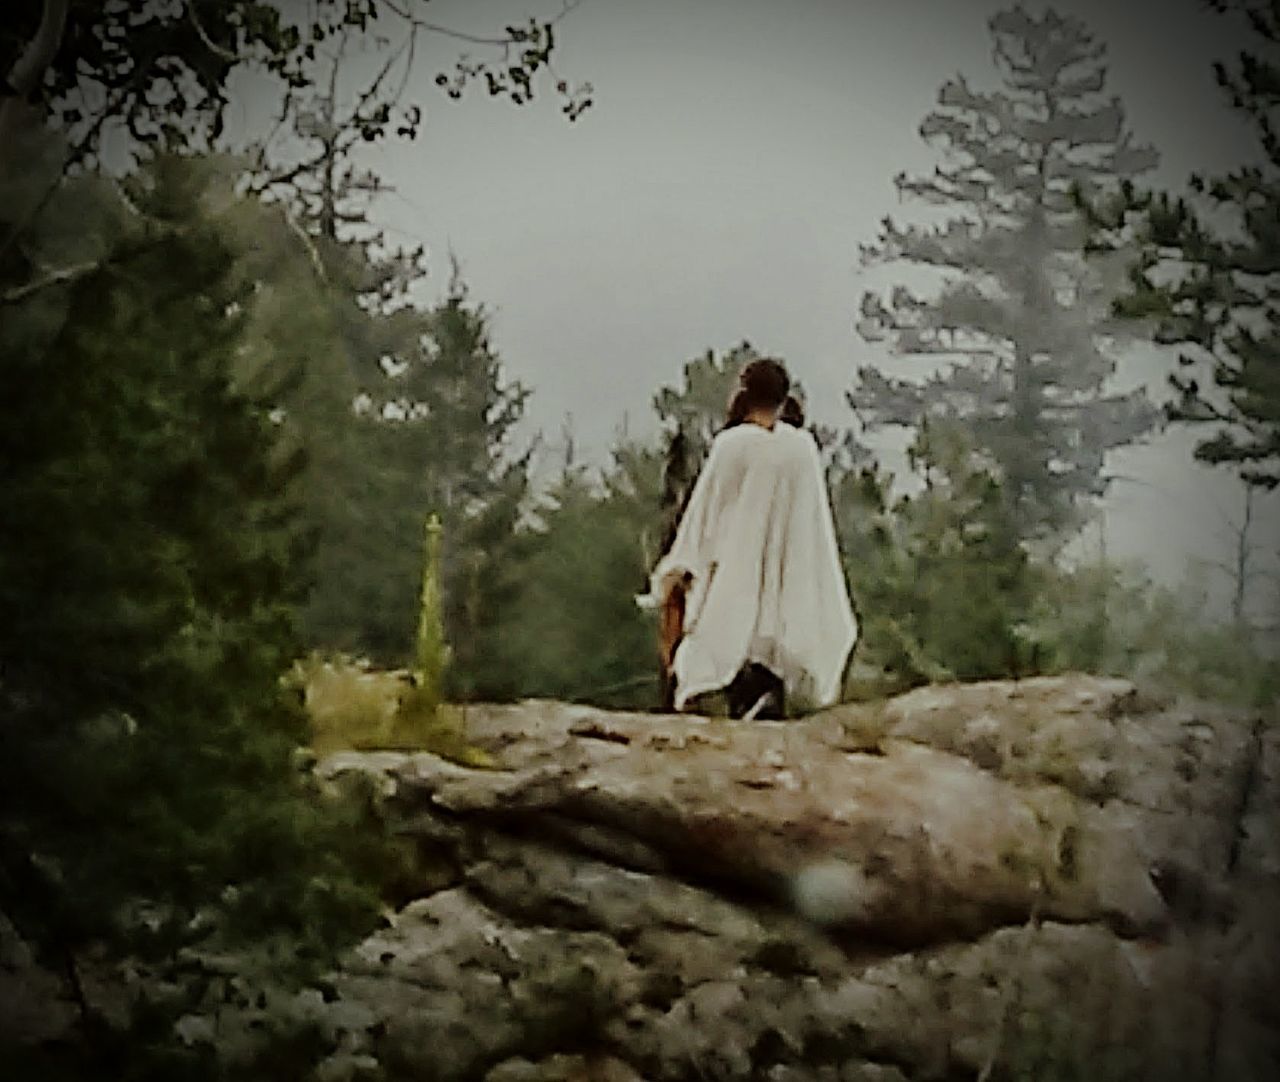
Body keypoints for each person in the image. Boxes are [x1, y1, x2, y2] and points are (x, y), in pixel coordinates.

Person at [642, 360, 857, 719]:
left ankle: (745, 699)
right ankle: (766, 699)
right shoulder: (801, 450)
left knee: (733, 634)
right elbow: (811, 520)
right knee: (766, 652)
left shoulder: (732, 445)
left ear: (745, 392)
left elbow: (705, 513)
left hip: (735, 572)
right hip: (788, 580)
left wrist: (683, 565)